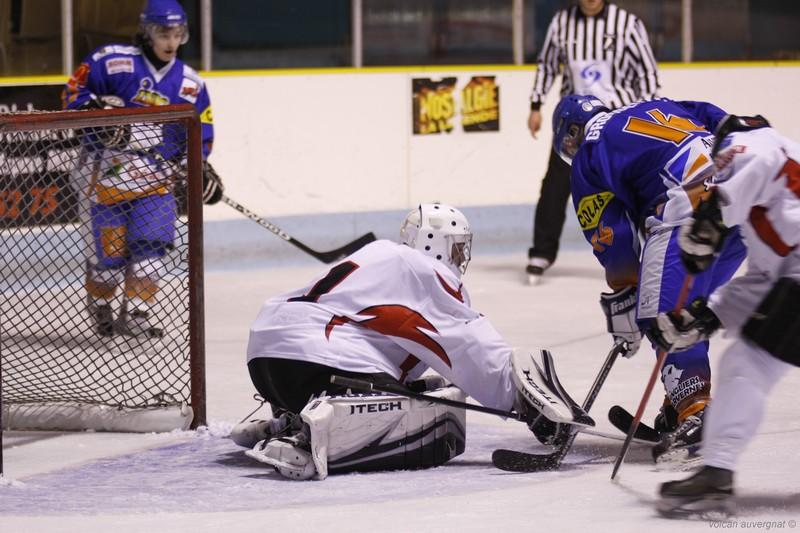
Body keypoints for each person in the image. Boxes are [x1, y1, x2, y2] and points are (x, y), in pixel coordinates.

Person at [232, 203, 594, 480]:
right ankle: (305, 440)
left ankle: (290, 418)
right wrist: (524, 401)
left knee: (416, 389)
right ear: (433, 244)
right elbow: (467, 345)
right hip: (320, 358)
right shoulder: (424, 271)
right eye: (456, 248)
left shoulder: (380, 257)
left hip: (267, 358)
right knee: (426, 420)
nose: (460, 258)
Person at [550, 94, 749, 462]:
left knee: (663, 317)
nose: (570, 151)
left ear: (573, 131)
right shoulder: (657, 104)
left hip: (686, 211)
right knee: (688, 313)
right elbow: (717, 117)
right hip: (743, 198)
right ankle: (678, 402)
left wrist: (626, 297)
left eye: (566, 143)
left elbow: (614, 240)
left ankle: (696, 411)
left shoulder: (588, 153)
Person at [654, 115, 800, 517]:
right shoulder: (776, 197)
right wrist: (709, 316)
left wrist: (712, 218)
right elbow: (767, 278)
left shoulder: (748, 144)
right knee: (749, 360)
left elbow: (754, 159)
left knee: (747, 364)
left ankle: (717, 473)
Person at [61, 0, 223, 338]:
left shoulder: (190, 84)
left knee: (151, 249)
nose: (171, 42)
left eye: (177, 34)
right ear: (147, 33)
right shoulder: (113, 62)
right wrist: (96, 115)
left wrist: (198, 167)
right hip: (104, 181)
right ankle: (101, 302)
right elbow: (74, 91)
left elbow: (199, 133)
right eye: (164, 33)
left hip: (156, 184)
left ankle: (137, 312)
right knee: (108, 260)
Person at [525, 0, 660, 284]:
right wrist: (536, 104)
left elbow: (647, 73)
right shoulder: (562, 22)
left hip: (617, 123)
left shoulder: (628, 24)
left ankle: (651, 251)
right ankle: (541, 252)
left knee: (630, 187)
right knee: (555, 186)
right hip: (574, 126)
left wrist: (644, 114)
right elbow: (547, 65)